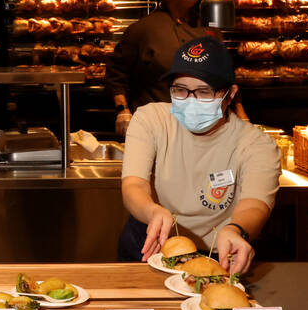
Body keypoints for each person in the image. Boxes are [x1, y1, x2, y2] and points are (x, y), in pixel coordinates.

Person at [118, 36, 280, 275]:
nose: (191, 101)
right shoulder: (150, 119)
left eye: (204, 92)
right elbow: (134, 184)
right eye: (180, 90)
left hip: (216, 253)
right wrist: (153, 211)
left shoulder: (256, 144)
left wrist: (236, 229)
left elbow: (255, 205)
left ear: (230, 94)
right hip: (150, 243)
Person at [108, 0, 206, 136]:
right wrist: (123, 111)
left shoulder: (207, 30)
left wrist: (241, 116)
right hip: (156, 128)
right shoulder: (142, 30)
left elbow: (227, 79)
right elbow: (116, 75)